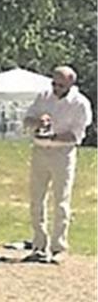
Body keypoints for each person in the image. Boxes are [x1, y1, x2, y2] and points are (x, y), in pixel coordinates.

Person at [22, 66, 91, 263]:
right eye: (54, 83)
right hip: (40, 151)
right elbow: (27, 120)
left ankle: (59, 246)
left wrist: (53, 136)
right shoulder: (43, 96)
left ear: (71, 84)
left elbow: (77, 135)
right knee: (36, 199)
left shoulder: (80, 103)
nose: (56, 88)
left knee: (61, 200)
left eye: (61, 85)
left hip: (63, 153)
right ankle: (39, 245)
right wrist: (37, 121)